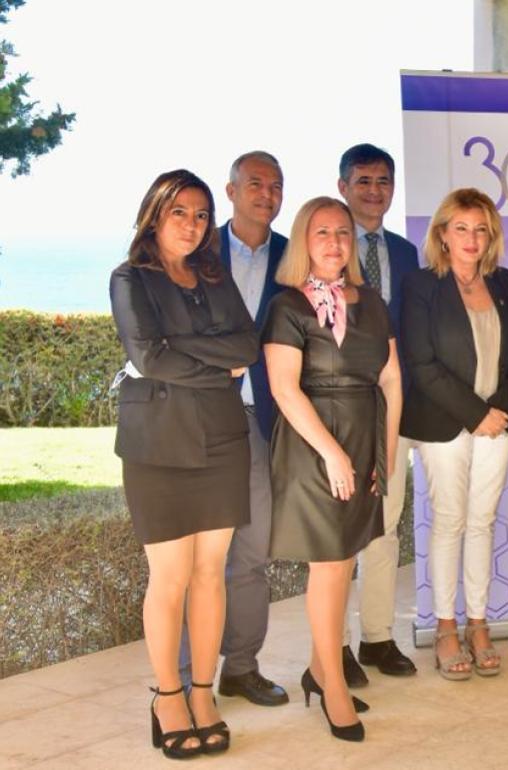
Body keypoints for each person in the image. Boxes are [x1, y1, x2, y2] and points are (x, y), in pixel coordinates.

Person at [110, 169, 257, 758]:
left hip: (222, 438)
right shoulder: (130, 278)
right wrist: (217, 368)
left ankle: (202, 692)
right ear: (154, 214)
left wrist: (187, 352)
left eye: (200, 215)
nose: (192, 226)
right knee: (169, 578)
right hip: (157, 445)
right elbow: (146, 354)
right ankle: (167, 694)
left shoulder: (214, 276)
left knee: (209, 573)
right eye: (180, 213)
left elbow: (247, 344)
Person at [263, 196, 403, 742]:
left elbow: (391, 380)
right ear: (304, 240)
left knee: (345, 563)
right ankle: (334, 688)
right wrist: (334, 453)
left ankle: (319, 672)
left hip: (365, 438)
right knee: (329, 564)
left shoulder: (372, 302)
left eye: (342, 232)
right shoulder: (287, 306)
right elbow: (283, 388)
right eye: (322, 232)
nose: (334, 242)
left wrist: (384, 454)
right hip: (312, 446)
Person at [399, 188, 508, 679]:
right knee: (450, 520)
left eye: (481, 229)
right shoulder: (420, 286)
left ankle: (479, 625)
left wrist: (497, 409)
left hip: (497, 422)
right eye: (462, 228)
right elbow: (421, 362)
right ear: (442, 234)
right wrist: (475, 413)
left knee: (483, 521)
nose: (472, 239)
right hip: (443, 422)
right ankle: (446, 628)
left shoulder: (505, 283)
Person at [176, 151, 290, 707]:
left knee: (253, 549)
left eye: (275, 185)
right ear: (231, 189)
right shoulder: (197, 249)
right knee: (196, 556)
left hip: (263, 422)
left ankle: (240, 667)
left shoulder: (295, 257)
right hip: (198, 420)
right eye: (254, 183)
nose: (265, 193)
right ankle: (180, 675)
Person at [336, 143, 421, 683]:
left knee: (385, 529)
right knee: (339, 533)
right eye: (363, 180)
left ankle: (377, 638)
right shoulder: (323, 243)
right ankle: (334, 645)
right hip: (339, 411)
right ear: (343, 185)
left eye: (383, 181)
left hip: (393, 410)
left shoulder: (406, 252)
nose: (374, 190)